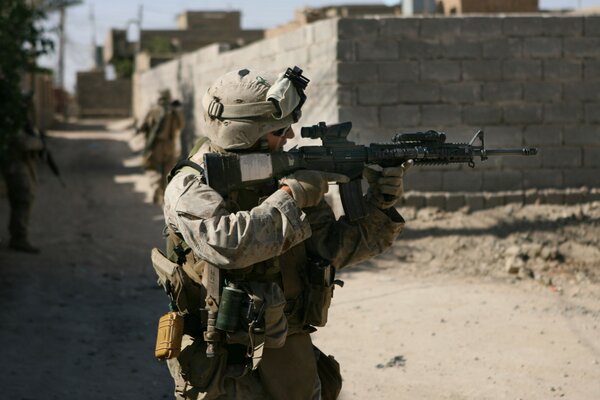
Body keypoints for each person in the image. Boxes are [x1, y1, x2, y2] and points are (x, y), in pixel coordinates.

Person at [155, 67, 411, 399]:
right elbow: (227, 245)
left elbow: (333, 249)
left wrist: (381, 204)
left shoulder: (281, 172)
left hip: (288, 347)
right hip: (220, 356)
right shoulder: (191, 185)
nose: (289, 137)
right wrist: (290, 197)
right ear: (247, 133)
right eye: (280, 130)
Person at [1, 96, 44, 254]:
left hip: (21, 163)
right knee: (22, 199)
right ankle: (19, 238)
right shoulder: (10, 121)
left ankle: (19, 236)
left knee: (25, 199)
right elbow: (22, 143)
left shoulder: (21, 122)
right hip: (14, 165)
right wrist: (38, 143)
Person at [137, 89, 185, 204]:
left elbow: (141, 127)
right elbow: (181, 125)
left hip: (156, 146)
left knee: (152, 168)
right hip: (170, 146)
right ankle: (164, 197)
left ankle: (155, 187)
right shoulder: (174, 112)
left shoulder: (153, 111)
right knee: (167, 172)